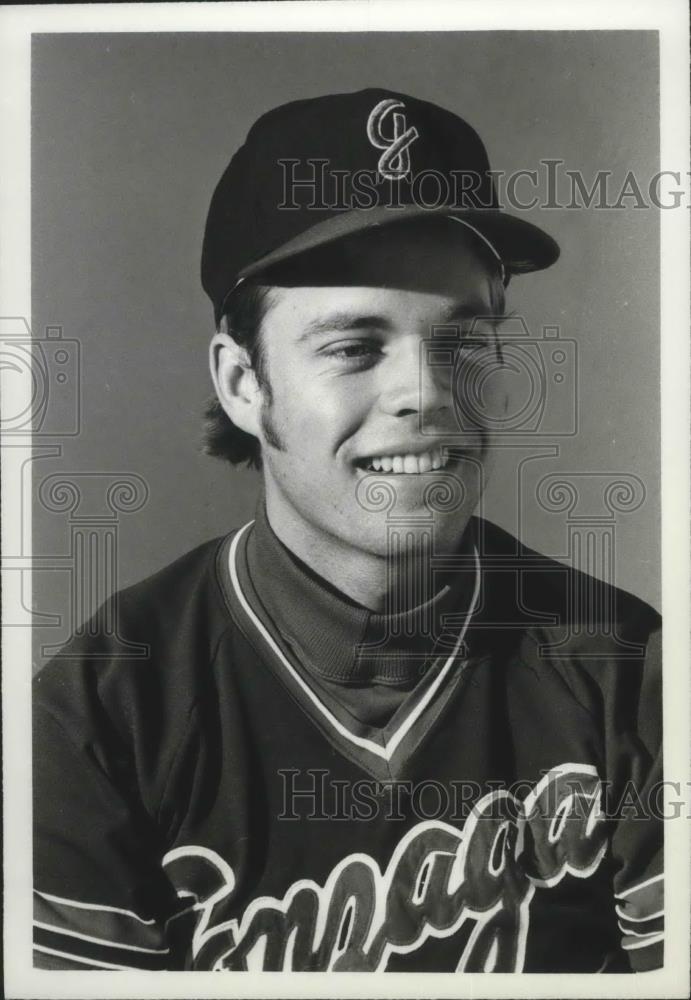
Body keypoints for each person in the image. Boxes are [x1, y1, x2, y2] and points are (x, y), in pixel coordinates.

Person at [33, 88, 662, 973]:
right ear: (243, 384)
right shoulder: (101, 711)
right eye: (352, 346)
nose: (426, 393)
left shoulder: (629, 671)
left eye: (464, 343)